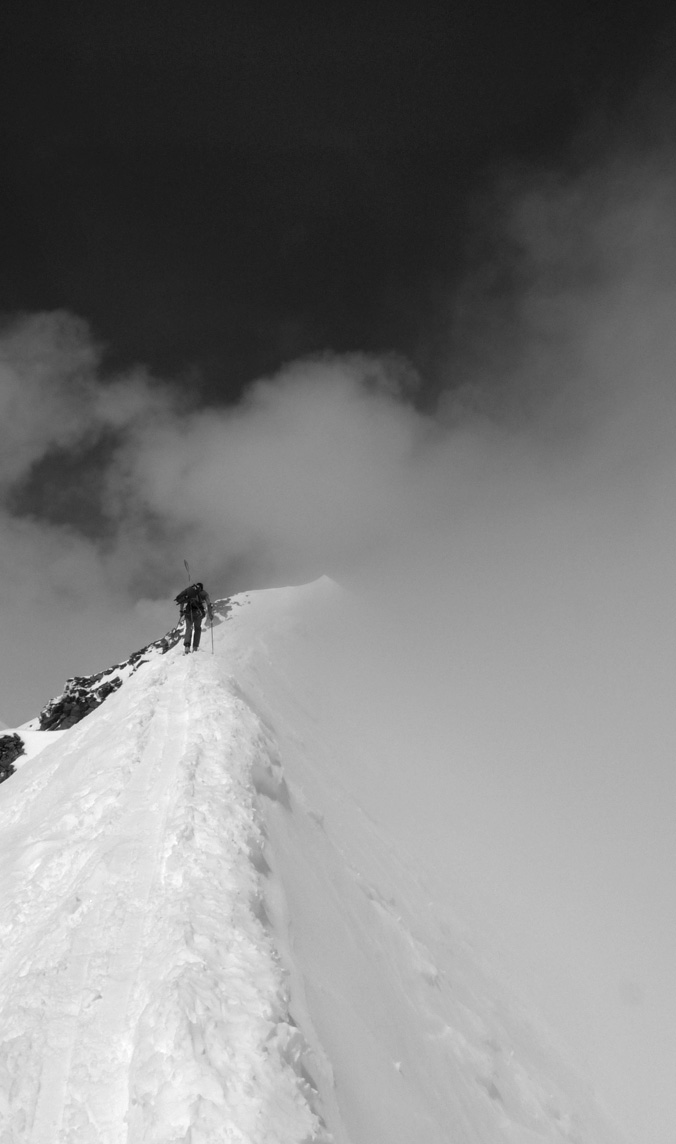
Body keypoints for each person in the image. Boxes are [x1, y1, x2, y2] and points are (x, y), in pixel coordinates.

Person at [179, 582, 213, 653]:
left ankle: (187, 647)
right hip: (198, 613)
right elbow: (208, 603)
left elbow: (182, 601)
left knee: (189, 628)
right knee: (197, 628)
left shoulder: (190, 592)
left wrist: (181, 611)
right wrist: (210, 614)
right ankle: (195, 647)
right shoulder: (204, 593)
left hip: (189, 612)